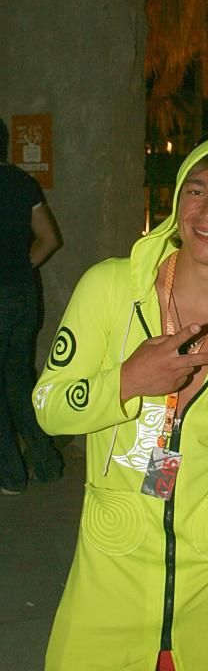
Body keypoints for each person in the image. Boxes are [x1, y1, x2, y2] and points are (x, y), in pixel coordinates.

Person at [33, 133, 208, 671]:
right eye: (195, 190)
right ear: (175, 204)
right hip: (109, 568)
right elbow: (48, 407)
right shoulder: (111, 288)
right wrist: (127, 380)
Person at [0, 118, 63, 495]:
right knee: (18, 380)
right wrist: (21, 268)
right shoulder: (23, 183)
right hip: (25, 294)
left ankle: (10, 475)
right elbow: (49, 238)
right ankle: (46, 464)